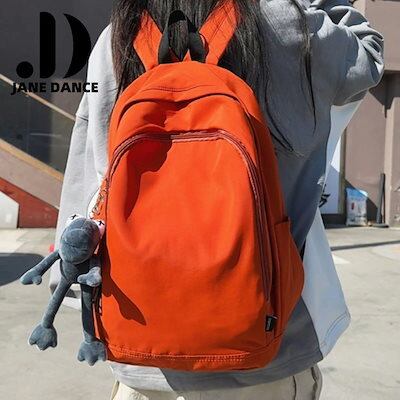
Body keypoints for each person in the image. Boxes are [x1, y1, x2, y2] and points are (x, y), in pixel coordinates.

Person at [50, 0, 384, 399]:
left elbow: (88, 178)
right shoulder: (289, 24)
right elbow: (369, 54)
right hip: (268, 356)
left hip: (142, 352)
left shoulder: (116, 36)